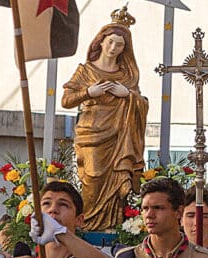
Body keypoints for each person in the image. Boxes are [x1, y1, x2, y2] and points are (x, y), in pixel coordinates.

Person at [61, 8, 148, 231]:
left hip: (118, 139)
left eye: (119, 45)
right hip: (91, 136)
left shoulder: (127, 76)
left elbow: (141, 103)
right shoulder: (86, 70)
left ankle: (117, 227)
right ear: (100, 42)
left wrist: (127, 95)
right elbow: (66, 100)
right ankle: (89, 226)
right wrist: (89, 92)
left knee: (120, 187)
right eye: (110, 42)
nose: (113, 48)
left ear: (124, 49)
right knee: (92, 182)